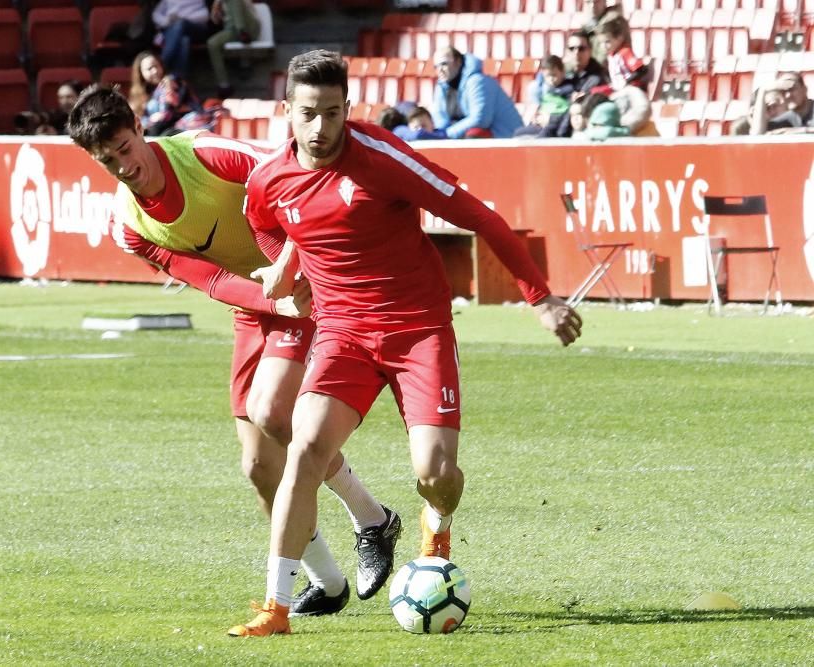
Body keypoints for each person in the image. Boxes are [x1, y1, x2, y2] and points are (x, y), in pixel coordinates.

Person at [228, 50, 582, 637]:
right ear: (286, 110)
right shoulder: (268, 178)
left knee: (435, 472)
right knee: (304, 449)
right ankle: (275, 608)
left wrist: (540, 297)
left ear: (349, 109)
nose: (322, 129)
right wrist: (289, 269)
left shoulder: (383, 158)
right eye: (309, 114)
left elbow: (482, 217)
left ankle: (436, 522)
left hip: (419, 330)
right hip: (343, 333)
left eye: (334, 113)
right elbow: (268, 223)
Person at [67, 85, 403, 618]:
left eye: (125, 148)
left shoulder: (207, 155)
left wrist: (294, 277)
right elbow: (210, 277)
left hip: (304, 280)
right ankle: (329, 581)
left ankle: (368, 516)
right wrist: (273, 300)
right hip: (259, 303)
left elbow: (292, 188)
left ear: (139, 127)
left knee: (272, 411)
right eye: (107, 161)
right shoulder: (129, 226)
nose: (123, 166)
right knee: (257, 465)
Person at [431, 46, 523, 139]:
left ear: (458, 62)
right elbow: (440, 119)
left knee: (475, 133)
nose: (440, 70)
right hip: (484, 140)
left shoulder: (478, 81)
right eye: (436, 66)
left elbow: (481, 119)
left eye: (444, 64)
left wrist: (447, 134)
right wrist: (438, 134)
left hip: (507, 138)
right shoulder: (441, 86)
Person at [128, 51, 201, 136]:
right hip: (160, 129)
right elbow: (136, 118)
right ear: (141, 73)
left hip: (187, 126)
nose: (155, 71)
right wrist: (149, 120)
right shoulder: (142, 93)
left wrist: (149, 121)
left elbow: (166, 114)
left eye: (156, 66)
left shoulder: (170, 82)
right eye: (150, 68)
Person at [207, 0, 260, 98]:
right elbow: (215, 21)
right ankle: (224, 85)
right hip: (232, 30)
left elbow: (246, 11)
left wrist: (241, 30)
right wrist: (216, 9)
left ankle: (242, 31)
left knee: (213, 43)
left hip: (247, 29)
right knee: (212, 43)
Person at [152, 0, 212, 78]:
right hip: (172, 29)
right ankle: (178, 79)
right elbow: (156, 14)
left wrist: (180, 18)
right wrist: (166, 21)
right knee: (184, 40)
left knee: (180, 24)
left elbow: (205, 16)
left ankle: (162, 63)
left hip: (195, 29)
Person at [595, 17, 649, 95]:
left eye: (607, 42)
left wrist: (626, 82)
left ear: (619, 38)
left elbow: (642, 70)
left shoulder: (625, 52)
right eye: (601, 43)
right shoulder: (611, 55)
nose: (604, 46)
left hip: (632, 90)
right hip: (620, 90)